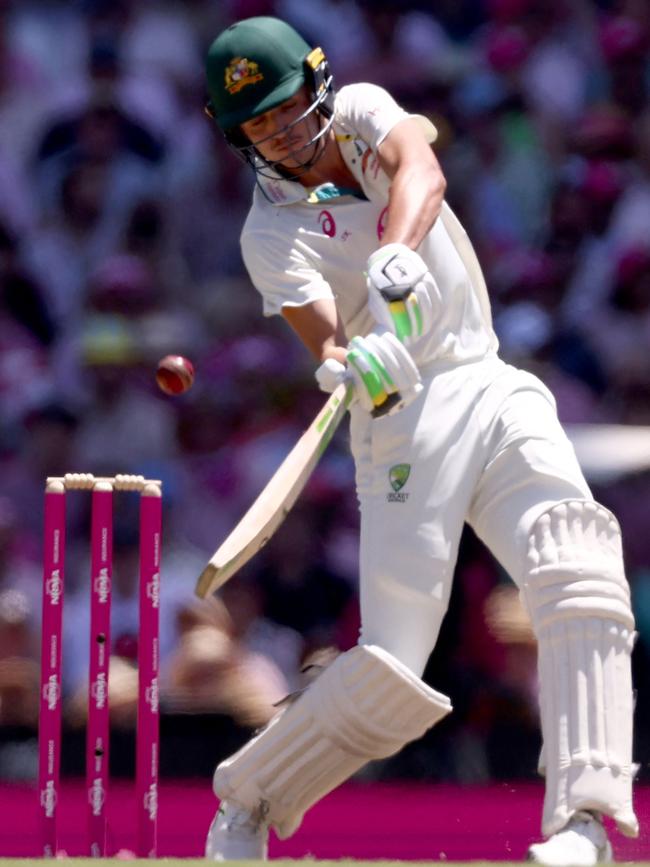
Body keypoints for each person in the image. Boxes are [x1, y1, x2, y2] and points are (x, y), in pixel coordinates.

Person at [200, 16, 638, 865]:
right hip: (402, 420)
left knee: (578, 565)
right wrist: (342, 364)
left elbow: (421, 168)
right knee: (393, 664)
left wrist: (394, 254)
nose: (283, 134)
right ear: (239, 137)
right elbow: (321, 337)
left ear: (317, 88)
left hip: (489, 374)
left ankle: (584, 822)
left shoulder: (363, 109)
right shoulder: (269, 234)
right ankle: (247, 801)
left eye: (289, 108)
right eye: (259, 125)